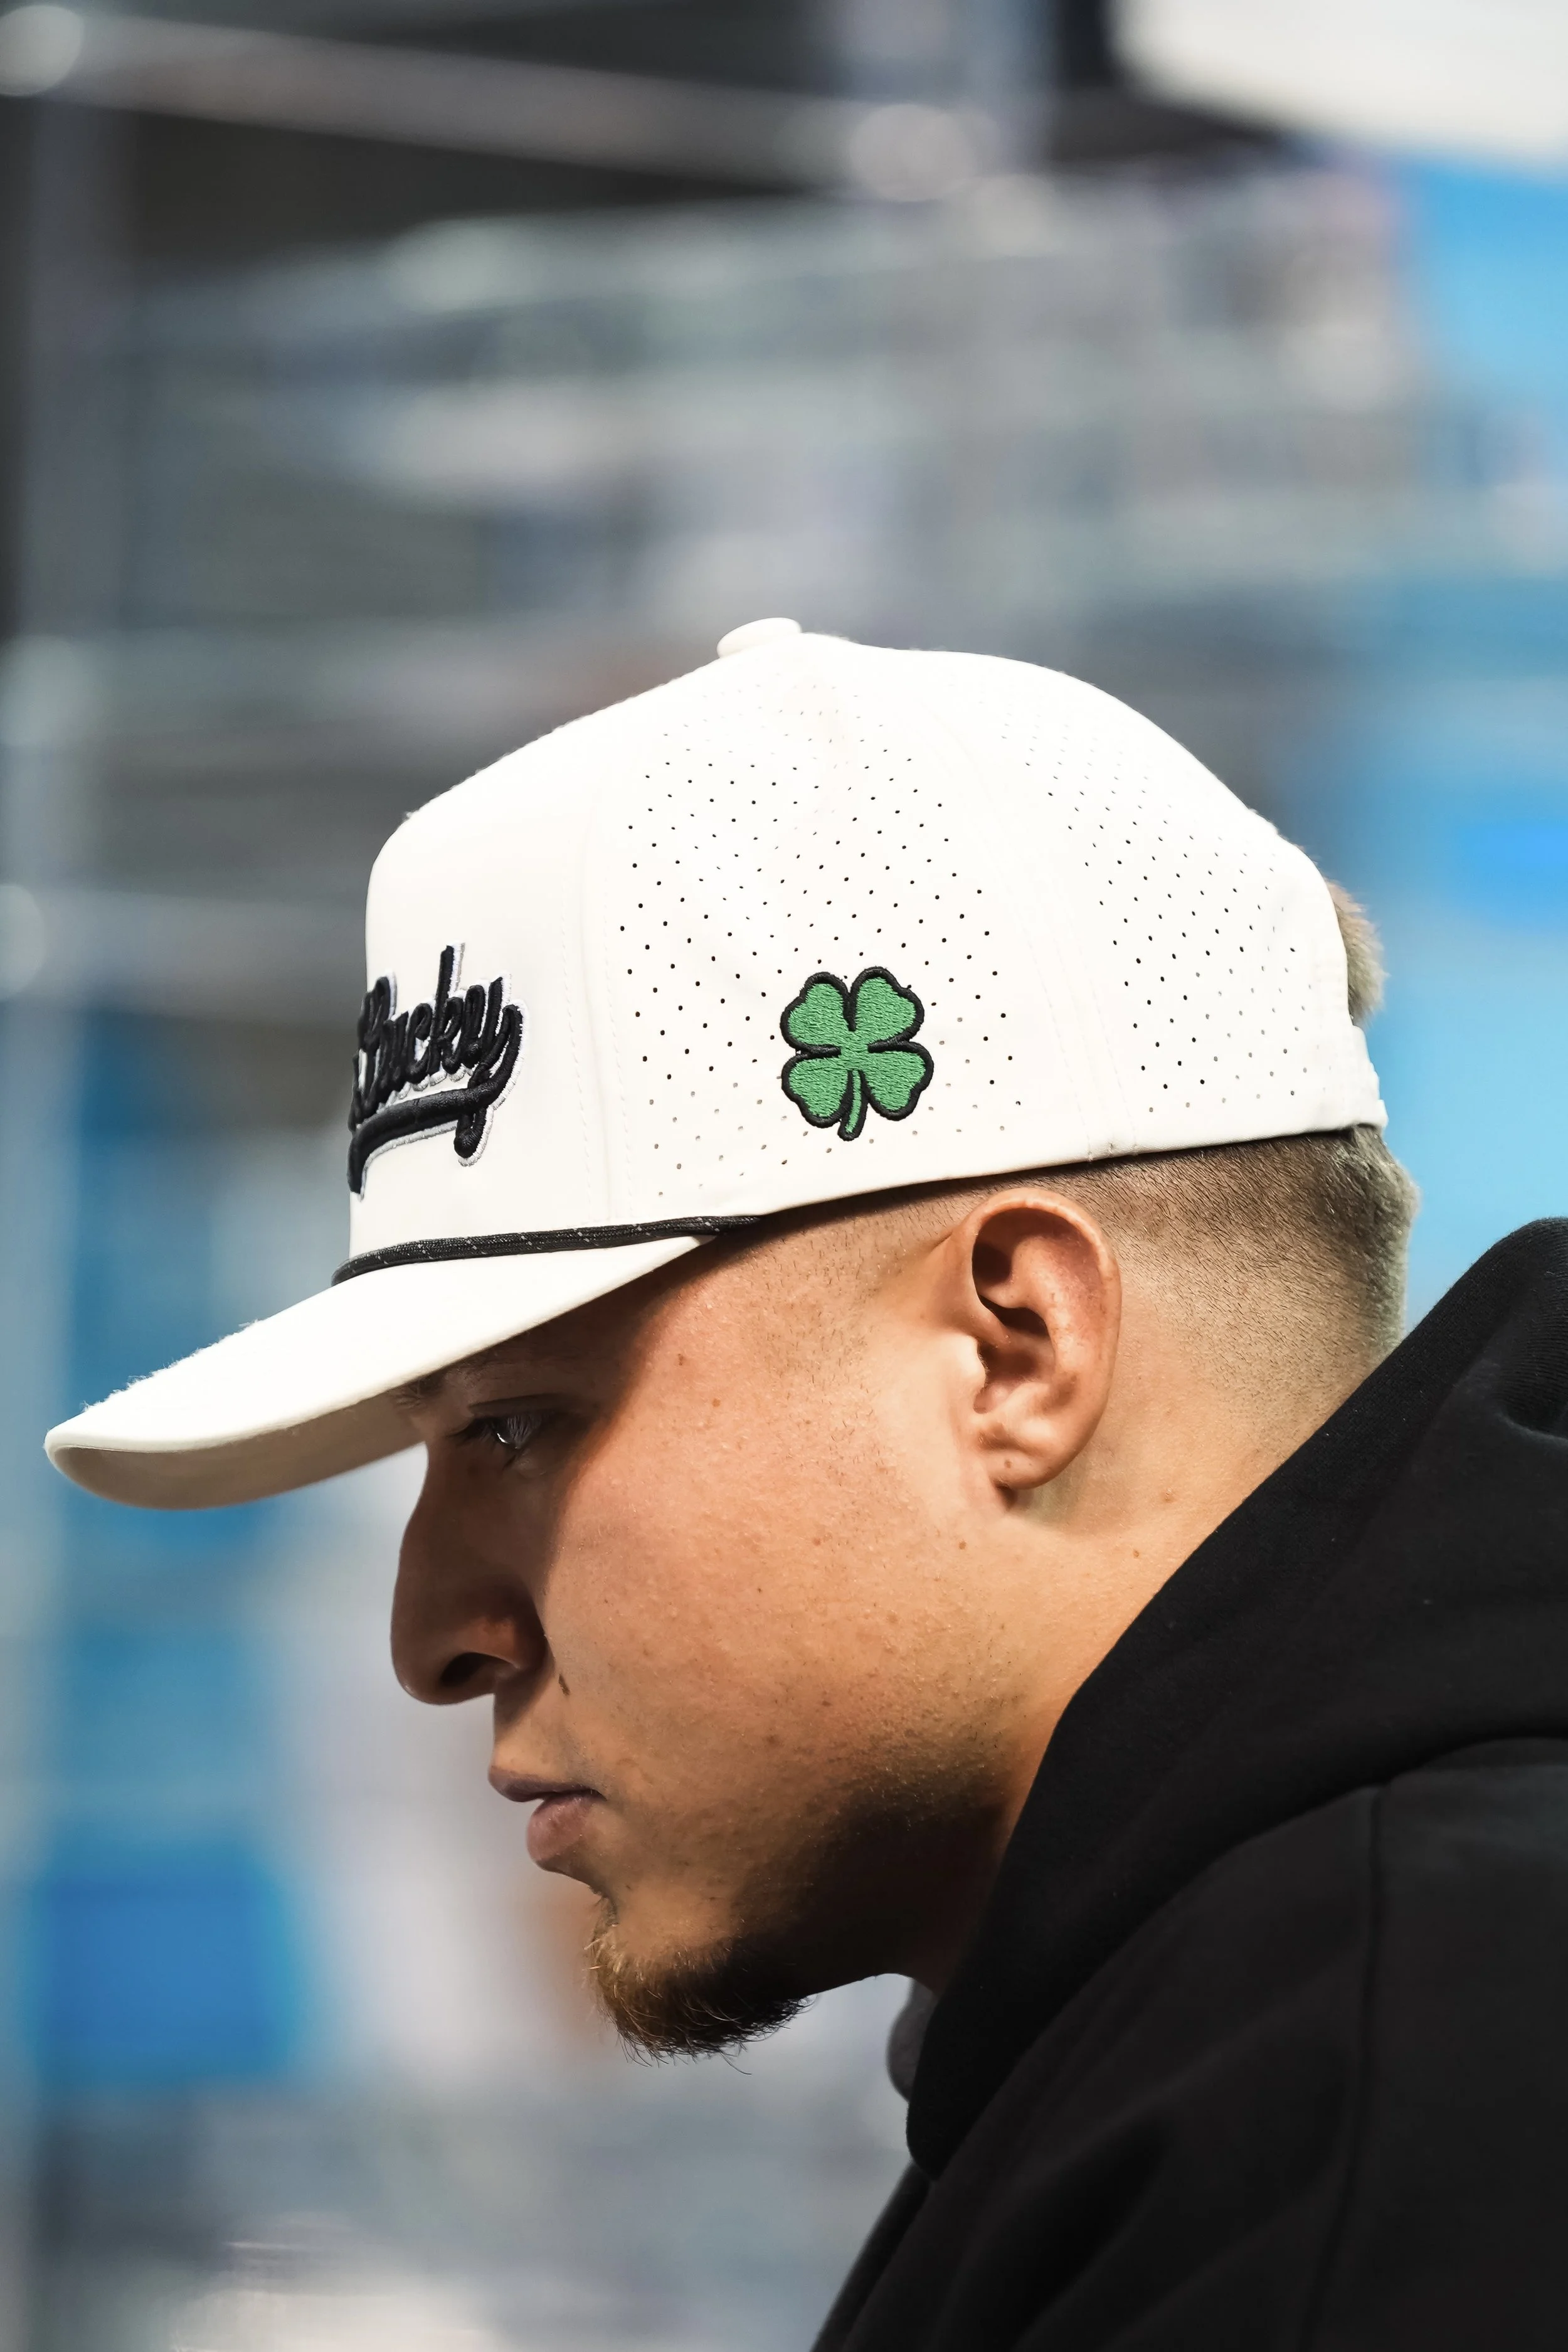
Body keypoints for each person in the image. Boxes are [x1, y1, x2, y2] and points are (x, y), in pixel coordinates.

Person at [46, 618, 1568, 2351]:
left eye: (519, 1422)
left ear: (1014, 1345)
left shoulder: (1385, 2106)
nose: (430, 1633)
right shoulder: (1231, 2035)